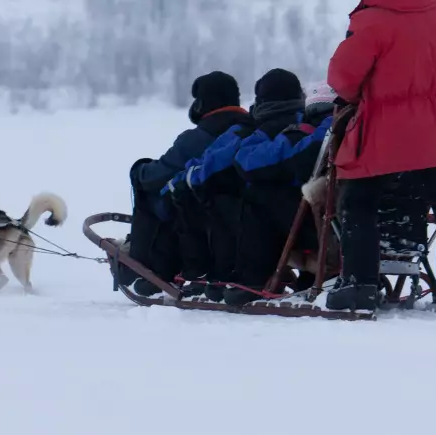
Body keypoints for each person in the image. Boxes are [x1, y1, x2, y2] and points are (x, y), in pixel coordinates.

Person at [324, 0, 436, 315]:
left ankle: (359, 286)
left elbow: (344, 77)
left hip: (384, 129)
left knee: (358, 204)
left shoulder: (372, 19)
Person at [122, 72, 253, 297]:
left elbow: (159, 174)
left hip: (205, 215)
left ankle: (150, 267)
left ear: (203, 102)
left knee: (155, 194)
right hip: (246, 214)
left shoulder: (200, 136)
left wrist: (138, 170)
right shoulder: (251, 128)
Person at [222, 81, 338, 306]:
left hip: (330, 225)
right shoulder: (364, 122)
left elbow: (298, 163)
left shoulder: (327, 127)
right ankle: (309, 276)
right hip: (359, 217)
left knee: (259, 197)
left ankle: (253, 279)